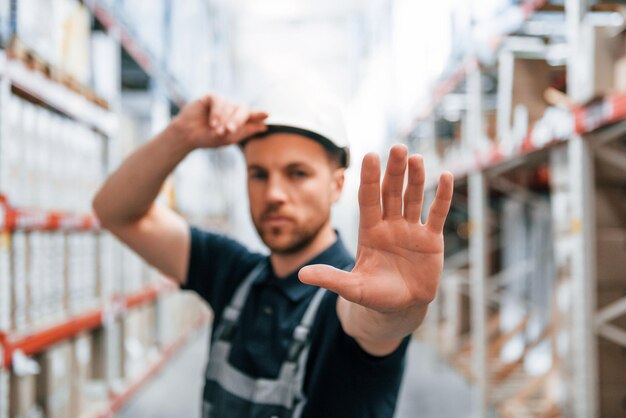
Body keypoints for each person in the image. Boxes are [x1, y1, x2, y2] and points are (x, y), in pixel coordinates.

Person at [92, 80, 453, 418]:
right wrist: (181, 136)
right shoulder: (233, 272)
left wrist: (398, 312)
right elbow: (115, 212)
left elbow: (373, 323)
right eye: (259, 174)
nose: (275, 194)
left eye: (297, 173)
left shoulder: (353, 292)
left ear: (336, 185)